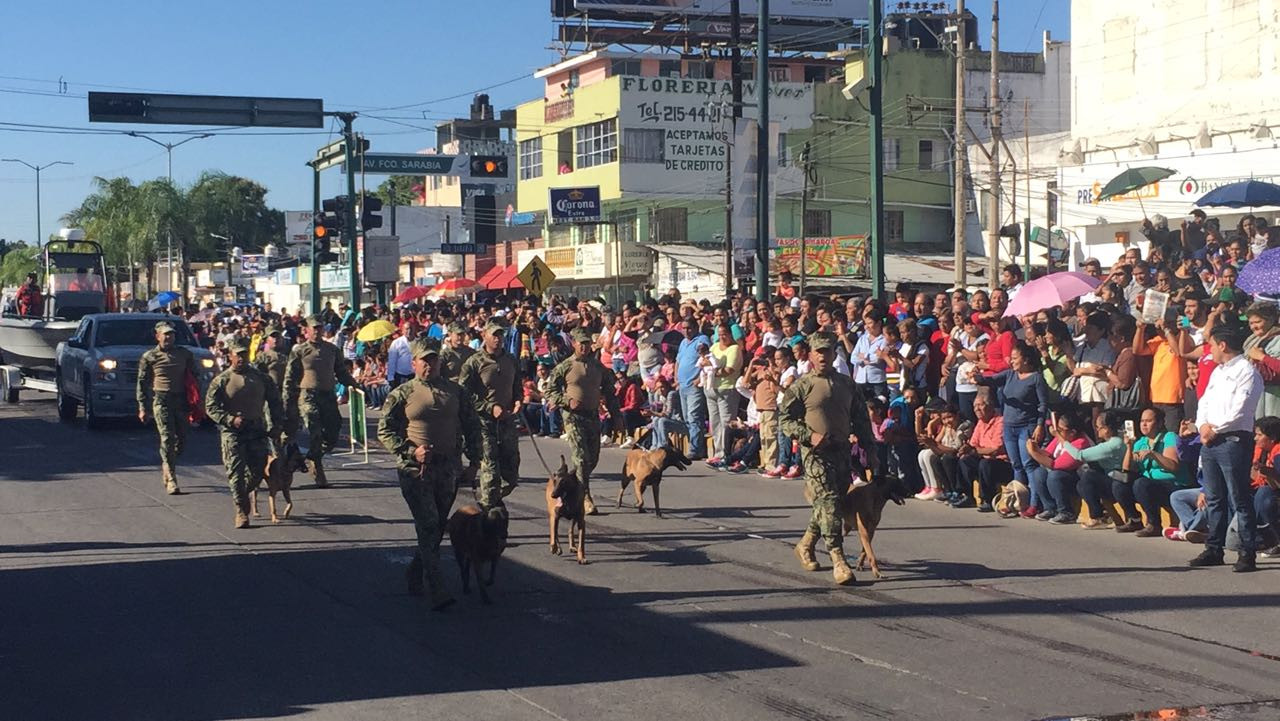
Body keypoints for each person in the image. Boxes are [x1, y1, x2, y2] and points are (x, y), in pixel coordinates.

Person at [377, 337, 483, 611]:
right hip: (417, 470)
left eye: (434, 359)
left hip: (448, 468)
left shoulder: (456, 392)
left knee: (435, 528)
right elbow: (385, 430)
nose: (430, 365)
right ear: (414, 363)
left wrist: (475, 462)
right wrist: (411, 452)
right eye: (425, 360)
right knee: (427, 523)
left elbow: (472, 426)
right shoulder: (402, 394)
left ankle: (414, 570)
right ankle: (437, 587)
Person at [782, 332, 875, 586]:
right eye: (818, 351)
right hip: (815, 455)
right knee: (830, 501)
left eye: (827, 351)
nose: (823, 356)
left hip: (841, 451)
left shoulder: (847, 384)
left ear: (835, 354)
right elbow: (785, 420)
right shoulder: (802, 386)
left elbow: (862, 421)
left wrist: (871, 451)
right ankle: (838, 559)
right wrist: (808, 436)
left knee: (829, 504)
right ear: (810, 355)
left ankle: (805, 544)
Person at [1190, 324, 1263, 571]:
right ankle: (1213, 548)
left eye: (1212, 345)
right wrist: (1202, 426)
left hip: (1233, 440)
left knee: (1239, 497)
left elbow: (1241, 408)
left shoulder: (1247, 371)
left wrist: (1214, 428)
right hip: (1210, 441)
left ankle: (1247, 552)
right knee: (1214, 498)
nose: (1210, 350)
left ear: (1223, 345)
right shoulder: (1218, 372)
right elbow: (1205, 403)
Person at [204, 338, 284, 529]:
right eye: (237, 355)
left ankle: (244, 493)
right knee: (235, 473)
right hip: (233, 433)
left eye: (244, 354)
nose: (241, 358)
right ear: (230, 356)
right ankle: (241, 510)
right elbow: (210, 407)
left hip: (256, 430)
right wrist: (229, 419)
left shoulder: (261, 378)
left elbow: (275, 402)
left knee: (257, 472)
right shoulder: (222, 380)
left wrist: (277, 425)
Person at [546, 327, 622, 515]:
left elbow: (610, 392)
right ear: (574, 344)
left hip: (592, 415)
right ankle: (584, 497)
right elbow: (550, 390)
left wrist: (616, 416)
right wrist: (566, 401)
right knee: (581, 458)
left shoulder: (598, 367)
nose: (585, 347)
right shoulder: (566, 366)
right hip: (573, 417)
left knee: (592, 459)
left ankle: (570, 483)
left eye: (588, 343)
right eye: (581, 343)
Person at [283, 315, 359, 488]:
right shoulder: (299, 350)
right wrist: (287, 402)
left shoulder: (332, 350)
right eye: (314, 328)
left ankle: (312, 456)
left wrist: (354, 385)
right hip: (307, 395)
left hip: (328, 395)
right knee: (314, 427)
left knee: (333, 433)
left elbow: (341, 372)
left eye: (319, 328)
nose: (317, 331)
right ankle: (318, 469)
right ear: (307, 330)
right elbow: (290, 377)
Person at [458, 321, 524, 512]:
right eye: (494, 335)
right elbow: (464, 393)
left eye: (500, 335)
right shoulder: (474, 362)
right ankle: (486, 515)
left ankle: (490, 500)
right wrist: (489, 406)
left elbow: (517, 385)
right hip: (483, 422)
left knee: (511, 474)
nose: (498, 339)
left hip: (507, 420)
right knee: (490, 469)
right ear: (484, 336)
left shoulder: (511, 360)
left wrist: (519, 400)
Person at [973, 342, 1050, 502]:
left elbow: (1043, 404)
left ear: (1026, 360)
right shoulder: (1009, 375)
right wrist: (977, 377)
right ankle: (1018, 500)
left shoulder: (1036, 378)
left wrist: (1040, 425)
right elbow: (991, 380)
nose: (1012, 361)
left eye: (1015, 358)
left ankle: (1034, 502)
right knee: (1016, 465)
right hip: (1009, 427)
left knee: (1028, 464)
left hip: (1026, 427)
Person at [136, 321, 197, 495]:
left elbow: (194, 377)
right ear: (158, 336)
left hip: (181, 401)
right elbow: (142, 382)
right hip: (162, 400)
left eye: (171, 334)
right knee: (167, 439)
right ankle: (171, 478)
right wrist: (142, 406)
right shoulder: (149, 357)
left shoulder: (184, 354)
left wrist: (197, 402)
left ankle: (167, 462)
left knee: (182, 441)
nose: (169, 337)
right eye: (165, 334)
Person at [1117, 407, 1186, 536]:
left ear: (1159, 423)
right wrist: (1129, 446)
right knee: (1120, 484)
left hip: (1171, 485)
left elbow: (1173, 466)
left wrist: (1153, 454)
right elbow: (1127, 470)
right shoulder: (1141, 442)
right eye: (1142, 421)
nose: (1144, 424)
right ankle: (1134, 519)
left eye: (1148, 421)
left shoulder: (1169, 437)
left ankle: (1154, 524)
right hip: (1149, 487)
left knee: (1141, 483)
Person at [1025, 412, 1092, 524]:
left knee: (1054, 475)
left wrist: (1033, 453)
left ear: (1072, 432)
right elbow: (1048, 454)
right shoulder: (1060, 438)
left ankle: (1066, 511)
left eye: (1061, 429)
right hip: (1064, 474)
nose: (1057, 432)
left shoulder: (1081, 442)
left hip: (1079, 478)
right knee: (1039, 472)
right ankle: (1050, 508)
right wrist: (1036, 448)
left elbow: (1056, 465)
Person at [1069, 411, 1129, 530]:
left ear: (1106, 429)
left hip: (1119, 480)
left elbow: (1079, 455)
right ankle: (1105, 513)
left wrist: (1061, 439)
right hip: (1112, 477)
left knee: (1089, 477)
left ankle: (1097, 516)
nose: (1097, 430)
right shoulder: (1111, 442)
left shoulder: (1113, 444)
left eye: (1098, 427)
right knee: (1082, 484)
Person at [956, 393, 1010, 512]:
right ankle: (967, 495)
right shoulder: (981, 422)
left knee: (985, 463)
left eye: (980, 405)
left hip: (1001, 463)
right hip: (984, 458)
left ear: (990, 406)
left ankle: (988, 500)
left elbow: (996, 449)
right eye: (975, 406)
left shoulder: (1000, 422)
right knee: (965, 460)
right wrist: (966, 448)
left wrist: (974, 450)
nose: (976, 409)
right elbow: (973, 444)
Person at [706, 322, 743, 465]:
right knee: (714, 423)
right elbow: (706, 360)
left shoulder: (734, 349)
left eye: (724, 334)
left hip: (727, 388)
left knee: (726, 422)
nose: (722, 337)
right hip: (711, 388)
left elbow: (728, 370)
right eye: (719, 335)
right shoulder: (714, 346)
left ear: (730, 334)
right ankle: (718, 452)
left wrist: (713, 371)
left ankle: (726, 454)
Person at [676, 319, 711, 460]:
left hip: (694, 386)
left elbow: (705, 355)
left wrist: (699, 378)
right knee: (686, 418)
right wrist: (676, 377)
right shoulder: (683, 342)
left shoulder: (701, 339)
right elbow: (678, 360)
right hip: (682, 386)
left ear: (696, 327)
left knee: (694, 417)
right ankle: (695, 446)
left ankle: (695, 449)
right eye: (683, 328)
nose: (686, 331)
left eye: (689, 328)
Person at [253, 324, 289, 390]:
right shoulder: (262, 356)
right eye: (272, 337)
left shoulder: (289, 353)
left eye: (278, 337)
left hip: (287, 389)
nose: (275, 339)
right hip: (270, 389)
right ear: (267, 340)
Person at [385, 321, 418, 388]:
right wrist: (390, 377)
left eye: (411, 328)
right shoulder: (396, 343)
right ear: (402, 330)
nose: (409, 331)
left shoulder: (419, 342)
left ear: (414, 329)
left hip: (414, 376)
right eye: (407, 329)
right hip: (401, 377)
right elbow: (392, 361)